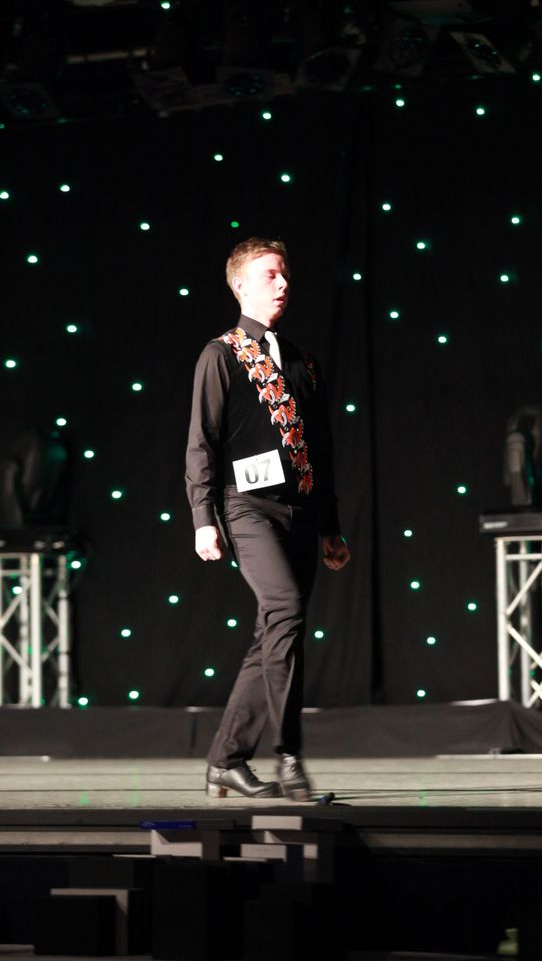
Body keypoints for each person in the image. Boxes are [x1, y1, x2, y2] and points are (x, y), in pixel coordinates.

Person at [185, 236, 350, 800]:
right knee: (285, 608)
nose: (283, 284)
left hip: (299, 510)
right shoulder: (221, 354)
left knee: (274, 632)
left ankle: (225, 760)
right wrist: (203, 517)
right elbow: (202, 442)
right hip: (246, 507)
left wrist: (330, 525)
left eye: (284, 274)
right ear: (240, 286)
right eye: (270, 275)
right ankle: (289, 758)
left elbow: (321, 447)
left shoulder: (303, 361)